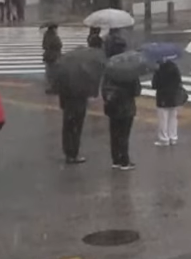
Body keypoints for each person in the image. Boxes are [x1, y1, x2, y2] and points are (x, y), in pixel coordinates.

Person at [58, 35, 102, 165]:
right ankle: (73, 153)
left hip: (67, 102)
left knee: (67, 127)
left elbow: (59, 86)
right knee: (76, 127)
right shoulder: (84, 74)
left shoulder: (65, 70)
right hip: (78, 103)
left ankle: (68, 152)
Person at [101, 64, 139, 171]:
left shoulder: (109, 72)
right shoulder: (131, 73)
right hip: (126, 108)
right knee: (124, 135)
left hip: (113, 107)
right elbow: (136, 91)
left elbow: (104, 89)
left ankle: (116, 159)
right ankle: (124, 160)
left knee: (114, 134)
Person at [151, 57, 184, 146]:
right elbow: (179, 81)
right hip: (173, 96)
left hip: (162, 96)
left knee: (163, 119)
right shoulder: (174, 67)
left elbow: (154, 85)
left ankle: (164, 138)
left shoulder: (160, 70)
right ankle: (173, 137)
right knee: (173, 117)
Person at [42, 24, 63, 93]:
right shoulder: (54, 37)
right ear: (53, 29)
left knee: (49, 71)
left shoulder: (46, 36)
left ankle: (50, 85)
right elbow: (59, 45)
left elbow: (44, 46)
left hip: (48, 56)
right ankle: (53, 86)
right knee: (54, 71)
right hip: (54, 56)